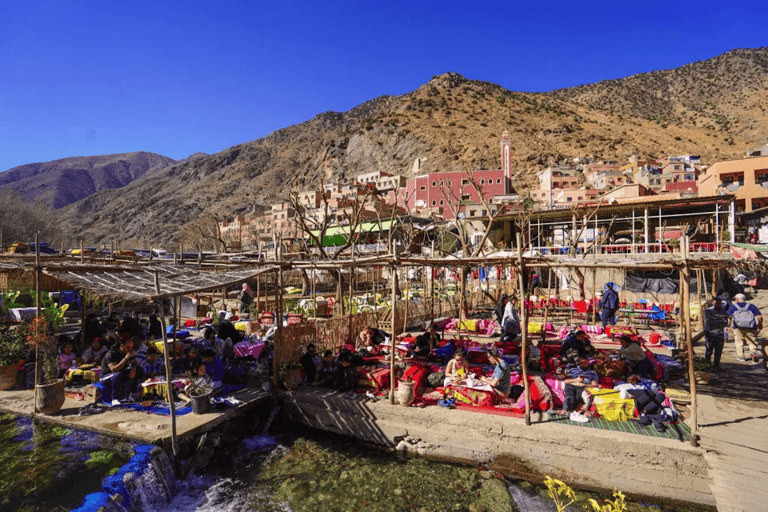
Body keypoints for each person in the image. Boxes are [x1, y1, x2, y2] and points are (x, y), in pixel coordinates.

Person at [727, 293, 763, 363]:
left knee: (739, 341)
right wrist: (760, 324)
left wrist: (727, 326)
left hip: (738, 327)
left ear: (737, 299)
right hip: (751, 327)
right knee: (752, 341)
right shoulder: (751, 306)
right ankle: (753, 352)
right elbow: (759, 317)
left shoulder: (733, 306)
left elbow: (729, 317)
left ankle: (741, 357)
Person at [704, 297, 730, 372]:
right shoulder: (708, 311)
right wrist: (719, 322)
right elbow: (709, 321)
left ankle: (716, 366)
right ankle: (707, 366)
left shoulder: (723, 311)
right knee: (709, 350)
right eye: (716, 303)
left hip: (720, 333)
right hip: (710, 333)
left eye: (719, 303)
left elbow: (725, 322)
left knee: (718, 351)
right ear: (713, 302)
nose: (717, 305)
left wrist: (717, 322)